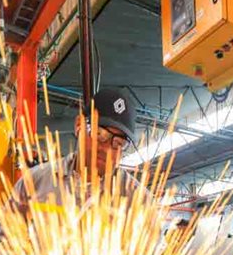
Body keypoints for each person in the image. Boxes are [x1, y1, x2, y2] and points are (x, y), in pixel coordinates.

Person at [10, 88, 138, 213]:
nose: (106, 149)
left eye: (119, 143)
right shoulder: (34, 182)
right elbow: (4, 229)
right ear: (79, 125)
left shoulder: (138, 200)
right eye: (99, 134)